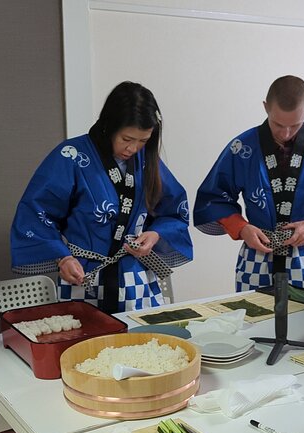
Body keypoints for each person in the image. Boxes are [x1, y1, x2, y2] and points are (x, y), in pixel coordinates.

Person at [11, 81, 193, 313]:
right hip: (82, 273)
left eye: (143, 141)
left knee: (141, 343)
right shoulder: (72, 156)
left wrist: (155, 234)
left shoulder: (147, 162)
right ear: (109, 125)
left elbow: (174, 211)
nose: (133, 148)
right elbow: (35, 213)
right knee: (84, 343)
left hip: (134, 275)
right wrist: (62, 258)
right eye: (127, 139)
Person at [194, 75, 304, 292]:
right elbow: (213, 196)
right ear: (266, 107)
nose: (286, 133)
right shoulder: (243, 146)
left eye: (295, 125)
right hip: (258, 253)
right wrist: (241, 228)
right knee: (255, 321)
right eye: (278, 124)